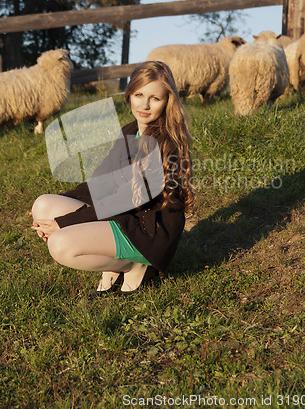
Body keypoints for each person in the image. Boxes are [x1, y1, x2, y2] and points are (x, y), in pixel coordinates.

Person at [31, 61, 195, 296]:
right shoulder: (130, 132)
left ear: (167, 101)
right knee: (43, 205)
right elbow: (101, 182)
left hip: (147, 232)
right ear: (129, 95)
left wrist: (64, 222)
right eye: (139, 94)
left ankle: (134, 264)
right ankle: (113, 263)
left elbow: (122, 200)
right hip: (125, 217)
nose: (145, 105)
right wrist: (60, 203)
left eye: (155, 98)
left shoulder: (164, 143)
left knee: (59, 244)